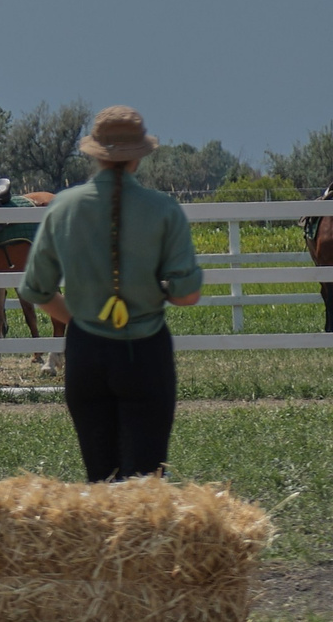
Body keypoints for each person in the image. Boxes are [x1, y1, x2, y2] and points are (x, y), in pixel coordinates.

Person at [19, 107, 204, 482]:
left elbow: (36, 289)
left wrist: (84, 319)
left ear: (95, 153)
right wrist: (156, 290)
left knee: (101, 485)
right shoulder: (164, 210)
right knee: (146, 486)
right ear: (138, 155)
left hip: (86, 353)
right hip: (146, 353)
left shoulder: (63, 208)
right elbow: (187, 295)